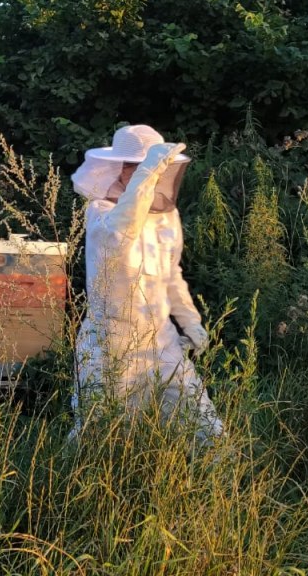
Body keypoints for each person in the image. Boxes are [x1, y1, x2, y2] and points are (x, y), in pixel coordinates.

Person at [69, 124, 222, 440]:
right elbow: (119, 235)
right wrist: (146, 172)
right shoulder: (100, 213)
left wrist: (191, 322)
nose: (153, 178)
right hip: (111, 342)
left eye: (155, 170)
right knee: (99, 435)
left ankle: (224, 486)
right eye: (140, 169)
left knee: (206, 430)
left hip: (161, 340)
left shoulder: (166, 217)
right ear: (121, 170)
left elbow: (170, 275)